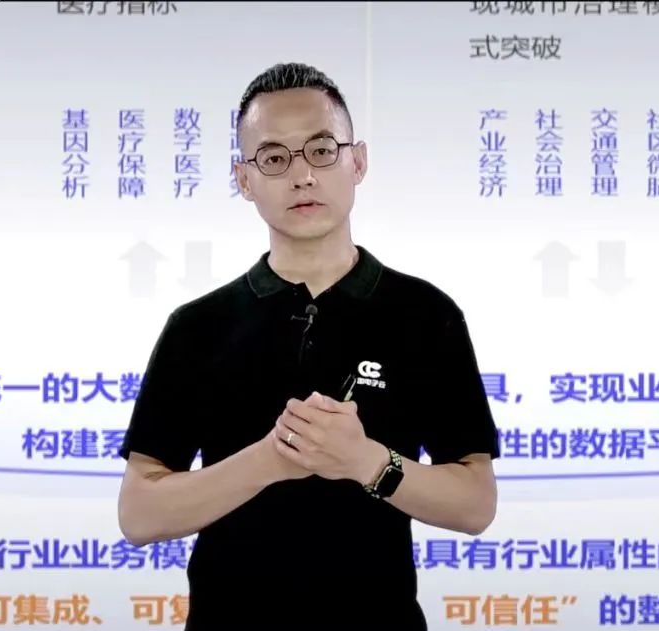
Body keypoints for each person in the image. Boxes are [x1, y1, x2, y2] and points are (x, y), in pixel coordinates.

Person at [117, 62, 500, 631]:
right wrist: (270, 460)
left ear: (358, 161)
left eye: (322, 151)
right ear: (244, 179)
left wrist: (366, 461)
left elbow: (475, 504)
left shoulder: (425, 315)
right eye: (274, 158)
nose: (301, 176)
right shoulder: (198, 326)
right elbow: (140, 514)